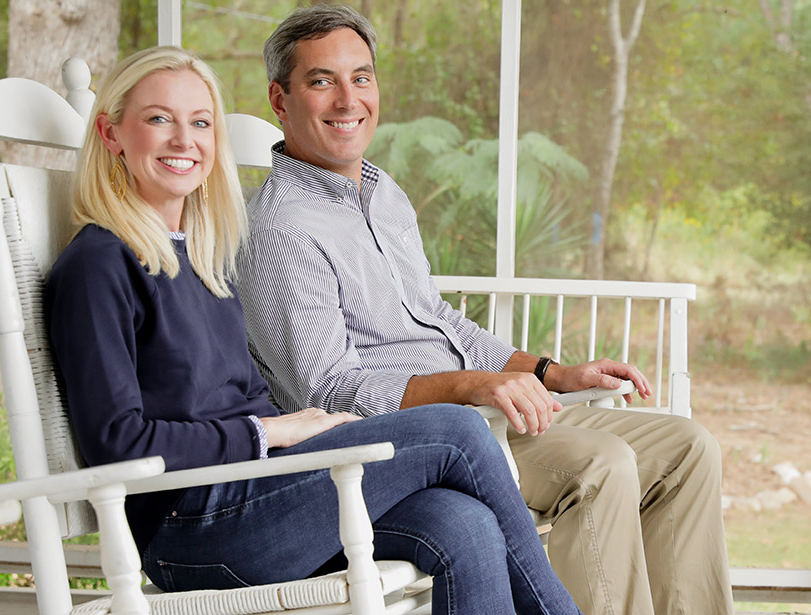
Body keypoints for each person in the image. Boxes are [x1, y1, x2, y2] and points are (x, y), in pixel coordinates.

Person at [44, 45, 580, 615]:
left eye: (200, 122)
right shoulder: (99, 264)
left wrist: (304, 434)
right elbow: (118, 443)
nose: (184, 140)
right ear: (110, 134)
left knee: (463, 524)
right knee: (457, 430)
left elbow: (242, 398)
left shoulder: (203, 256)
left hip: (258, 491)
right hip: (190, 528)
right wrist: (272, 432)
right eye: (158, 119)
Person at [237, 6, 734, 614]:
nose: (348, 99)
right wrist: (473, 386)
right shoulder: (279, 225)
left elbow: (439, 321)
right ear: (279, 99)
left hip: (483, 413)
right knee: (601, 465)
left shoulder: (383, 193)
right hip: (406, 445)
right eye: (322, 81)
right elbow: (327, 388)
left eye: (361, 77)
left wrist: (550, 373)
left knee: (689, 448)